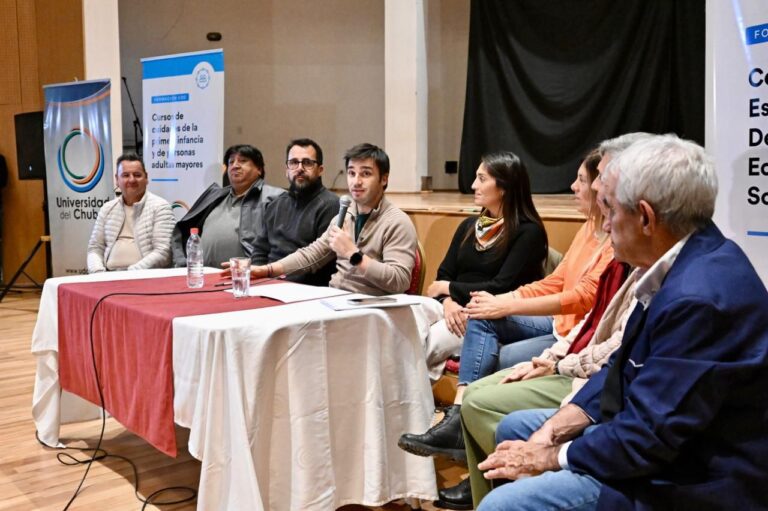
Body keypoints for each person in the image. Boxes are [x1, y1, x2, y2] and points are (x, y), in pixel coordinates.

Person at [477, 135, 768, 511]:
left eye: (610, 209)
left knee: (503, 505)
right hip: (660, 442)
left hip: (694, 476)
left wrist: (549, 456)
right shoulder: (684, 259)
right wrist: (555, 428)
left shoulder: (697, 299)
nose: (606, 224)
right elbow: (623, 369)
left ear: (645, 217)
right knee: (516, 431)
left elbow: (647, 438)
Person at [398, 149, 613, 467]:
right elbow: (556, 281)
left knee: (473, 343)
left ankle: (453, 424)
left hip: (565, 330)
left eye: (581, 180)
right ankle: (457, 432)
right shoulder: (471, 226)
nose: (573, 186)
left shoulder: (532, 231)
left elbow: (579, 296)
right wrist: (453, 301)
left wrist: (500, 301)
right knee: (416, 334)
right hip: (474, 310)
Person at [423, 151, 548, 381]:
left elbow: (501, 285)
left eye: (482, 179)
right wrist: (448, 301)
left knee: (427, 344)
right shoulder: (469, 226)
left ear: (504, 186)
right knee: (405, 325)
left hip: (490, 316)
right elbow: (443, 275)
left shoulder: (528, 232)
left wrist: (447, 288)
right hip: (452, 309)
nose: (473, 185)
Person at [243, 143, 417, 296]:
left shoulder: (398, 222)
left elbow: (399, 281)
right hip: (335, 298)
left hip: (373, 306)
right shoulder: (346, 215)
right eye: (351, 173)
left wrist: (353, 254)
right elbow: (312, 254)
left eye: (365, 174)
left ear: (384, 179)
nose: (356, 181)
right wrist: (267, 270)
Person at [171, 144, 284, 267]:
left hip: (247, 278)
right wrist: (182, 264)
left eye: (243, 161)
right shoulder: (214, 196)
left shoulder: (274, 198)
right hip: (204, 276)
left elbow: (282, 246)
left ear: (259, 169)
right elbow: (182, 232)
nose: (235, 166)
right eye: (231, 162)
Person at [253, 138, 339, 286]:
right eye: (293, 162)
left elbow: (320, 261)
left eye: (307, 162)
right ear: (287, 170)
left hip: (306, 290)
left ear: (320, 170)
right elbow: (260, 251)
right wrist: (258, 280)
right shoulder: (275, 204)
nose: (299, 168)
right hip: (268, 283)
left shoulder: (330, 205)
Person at [87, 153, 174, 273]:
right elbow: (95, 249)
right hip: (107, 275)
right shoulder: (107, 209)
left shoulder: (161, 207)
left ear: (146, 178)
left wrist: (130, 274)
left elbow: (163, 252)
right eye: (126, 175)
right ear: (117, 180)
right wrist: (98, 273)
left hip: (144, 277)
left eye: (137, 175)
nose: (132, 180)